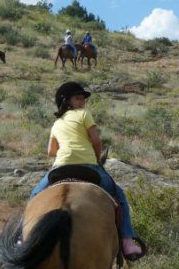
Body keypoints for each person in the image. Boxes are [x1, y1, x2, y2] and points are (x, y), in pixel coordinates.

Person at [30, 81, 143, 259]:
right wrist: (97, 159)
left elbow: (50, 151)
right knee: (119, 196)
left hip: (60, 167)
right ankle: (127, 242)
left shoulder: (57, 123)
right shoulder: (84, 114)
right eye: (78, 98)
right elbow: (96, 141)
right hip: (88, 166)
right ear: (66, 101)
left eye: (83, 99)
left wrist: (66, 150)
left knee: (35, 195)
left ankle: (23, 238)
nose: (82, 102)